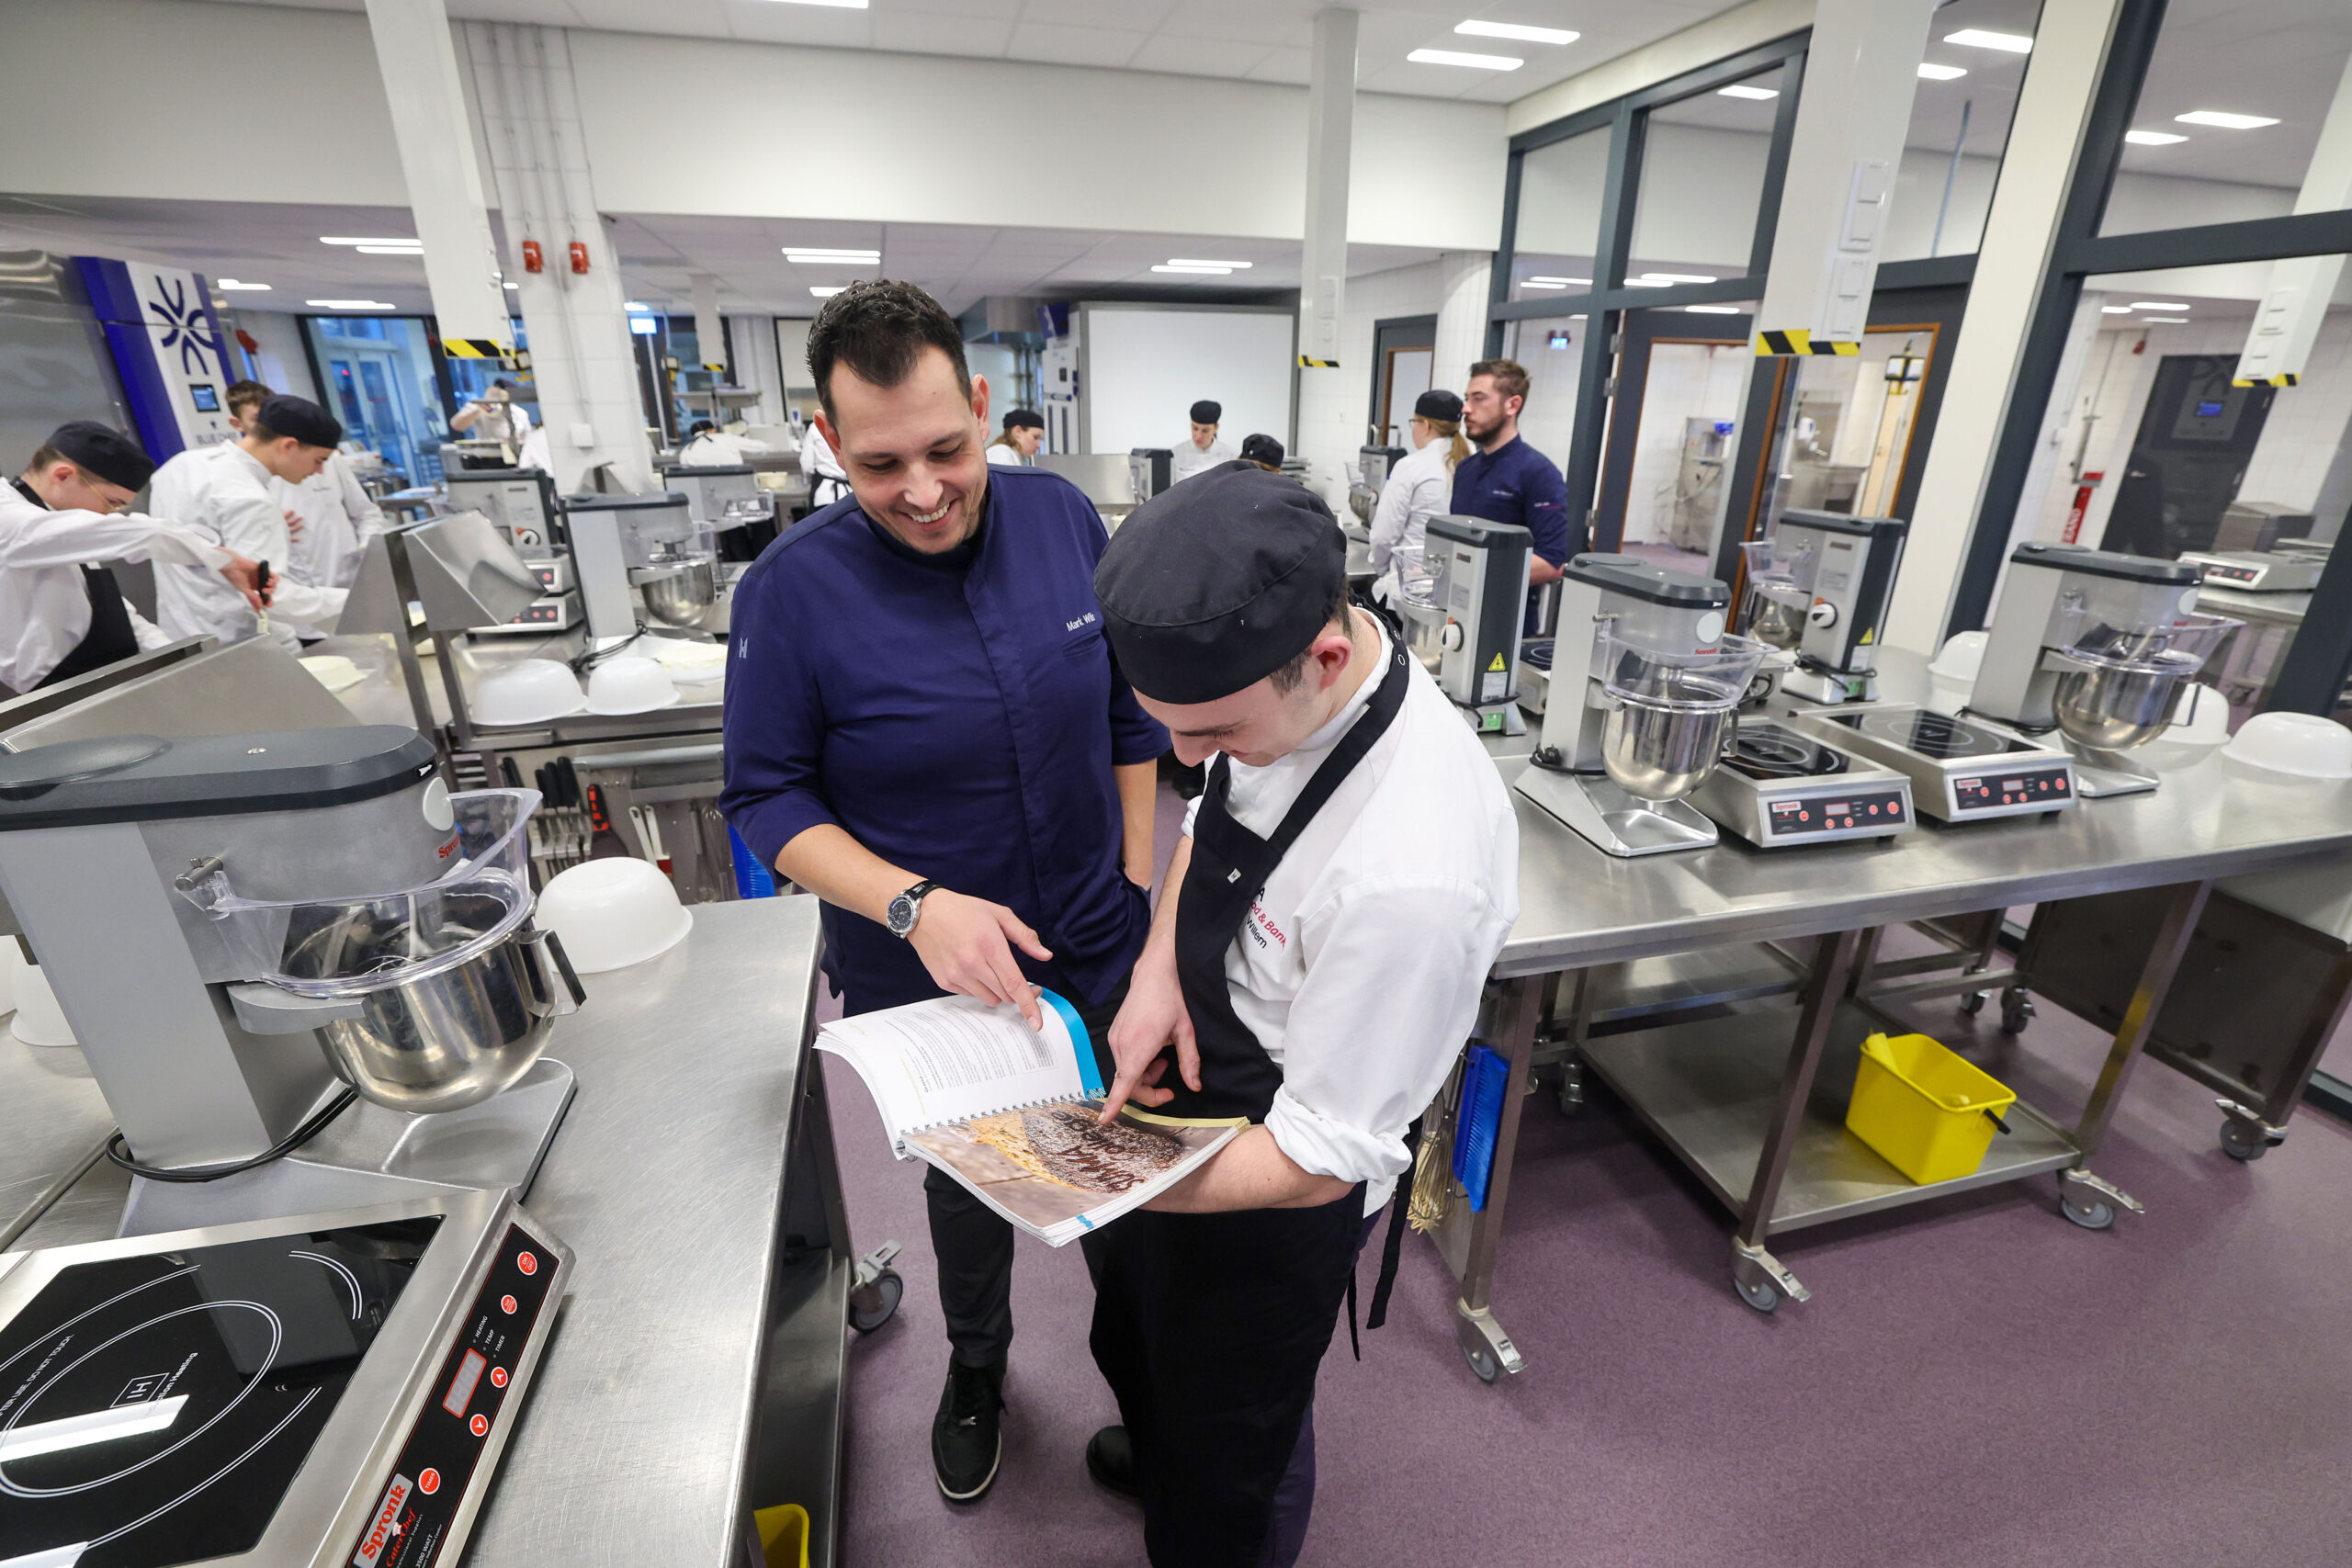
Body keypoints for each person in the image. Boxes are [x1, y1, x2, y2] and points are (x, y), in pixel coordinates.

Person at [719, 280, 1167, 1506]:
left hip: (1093, 930)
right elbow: (765, 798)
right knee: (974, 1180)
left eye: (945, 450)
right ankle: (977, 1365)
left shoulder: (1062, 516)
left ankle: (1144, 1379)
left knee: (1122, 1162)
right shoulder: (791, 592)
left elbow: (1128, 715)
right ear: (827, 440)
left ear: (979, 404)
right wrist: (916, 904)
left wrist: (1135, 880)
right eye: (879, 464)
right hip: (924, 967)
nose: (922, 490)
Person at [1082, 463, 1519, 1567]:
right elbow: (1208, 817)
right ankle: (1162, 1443)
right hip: (1202, 1086)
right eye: (1167, 730)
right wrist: (1156, 974)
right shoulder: (1278, 688)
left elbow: (1320, 1157)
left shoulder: (1410, 874)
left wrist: (1097, 1179)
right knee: (1142, 1335)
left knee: (1240, 1431)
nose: (1184, 761)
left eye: (1213, 732)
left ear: (1323, 659)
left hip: (1288, 1156)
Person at [0, 422, 266, 696]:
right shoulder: (10, 518)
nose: (110, 515)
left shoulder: (57, 523)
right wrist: (221, 560)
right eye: (112, 502)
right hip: (61, 696)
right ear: (63, 475)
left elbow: (111, 610)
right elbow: (140, 535)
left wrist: (182, 661)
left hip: (116, 681)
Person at [150, 395, 352, 650]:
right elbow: (271, 596)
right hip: (242, 645)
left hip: (180, 637)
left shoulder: (180, 465)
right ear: (289, 445)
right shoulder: (250, 499)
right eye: (319, 460)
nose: (318, 472)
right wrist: (353, 600)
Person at [227, 380, 386, 601]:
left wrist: (368, 551)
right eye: (257, 420)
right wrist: (273, 529)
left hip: (351, 582)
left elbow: (366, 513)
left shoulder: (325, 459)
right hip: (298, 597)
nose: (270, 428)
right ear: (237, 424)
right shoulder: (239, 481)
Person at [1451, 358, 1575, 632]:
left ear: (1512, 405)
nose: (1466, 409)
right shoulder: (1466, 469)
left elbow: (1551, 562)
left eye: (1478, 399)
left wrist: (1472, 572)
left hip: (1506, 624)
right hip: (1457, 612)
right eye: (1467, 398)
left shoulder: (1539, 472)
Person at [1367, 389, 1469, 601]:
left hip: (1410, 590)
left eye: (1413, 422)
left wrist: (1383, 571)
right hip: (1457, 590)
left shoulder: (1411, 466)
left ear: (1426, 425)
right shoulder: (1471, 463)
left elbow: (1383, 536)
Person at [1169, 399, 1234, 484]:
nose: (1198, 436)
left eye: (1205, 431)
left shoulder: (1229, 455)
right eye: (1195, 428)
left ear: (1216, 427)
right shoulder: (1176, 453)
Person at [798, 414, 850, 507]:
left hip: (823, 495)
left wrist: (807, 481)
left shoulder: (815, 428)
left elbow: (807, 465)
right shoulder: (849, 425)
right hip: (850, 495)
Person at [679, 418, 775, 468]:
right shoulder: (726, 438)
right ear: (712, 430)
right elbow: (760, 447)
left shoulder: (686, 451)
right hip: (738, 486)